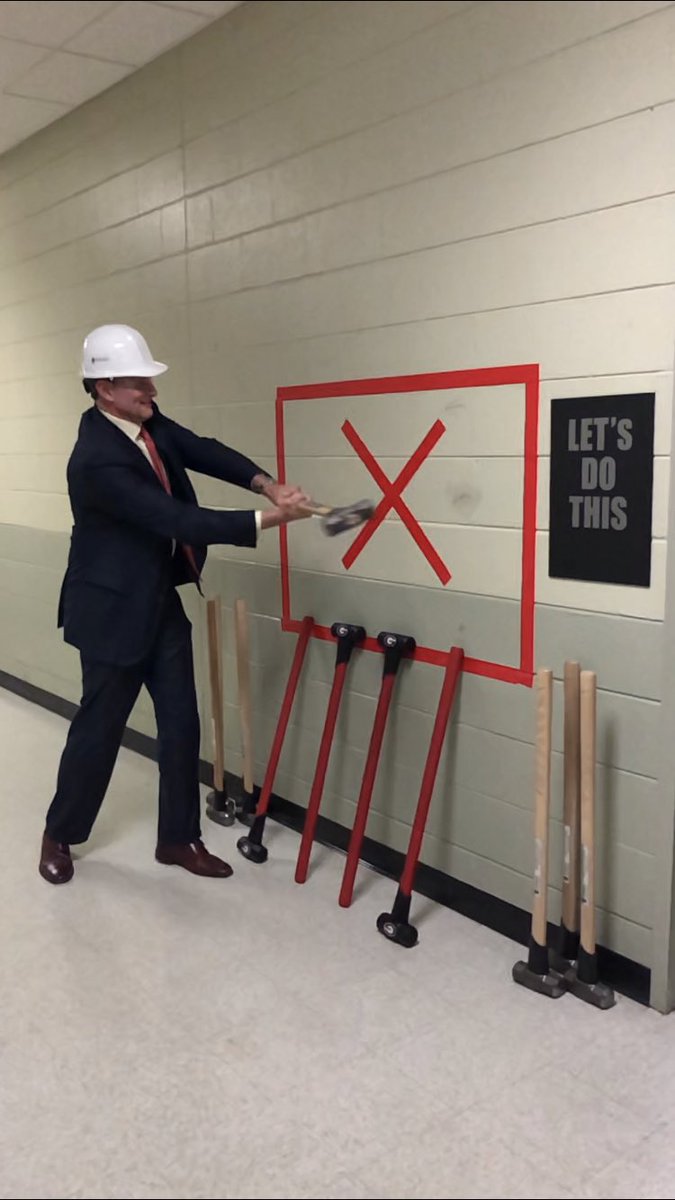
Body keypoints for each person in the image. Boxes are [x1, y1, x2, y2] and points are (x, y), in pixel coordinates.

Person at [39, 324, 311, 885]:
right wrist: (267, 522)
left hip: (158, 600)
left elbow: (202, 450)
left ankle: (178, 839)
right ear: (104, 387)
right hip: (111, 614)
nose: (151, 391)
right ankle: (60, 833)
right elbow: (176, 520)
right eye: (139, 382)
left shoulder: (148, 425)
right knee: (99, 730)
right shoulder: (95, 458)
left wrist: (267, 484)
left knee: (183, 724)